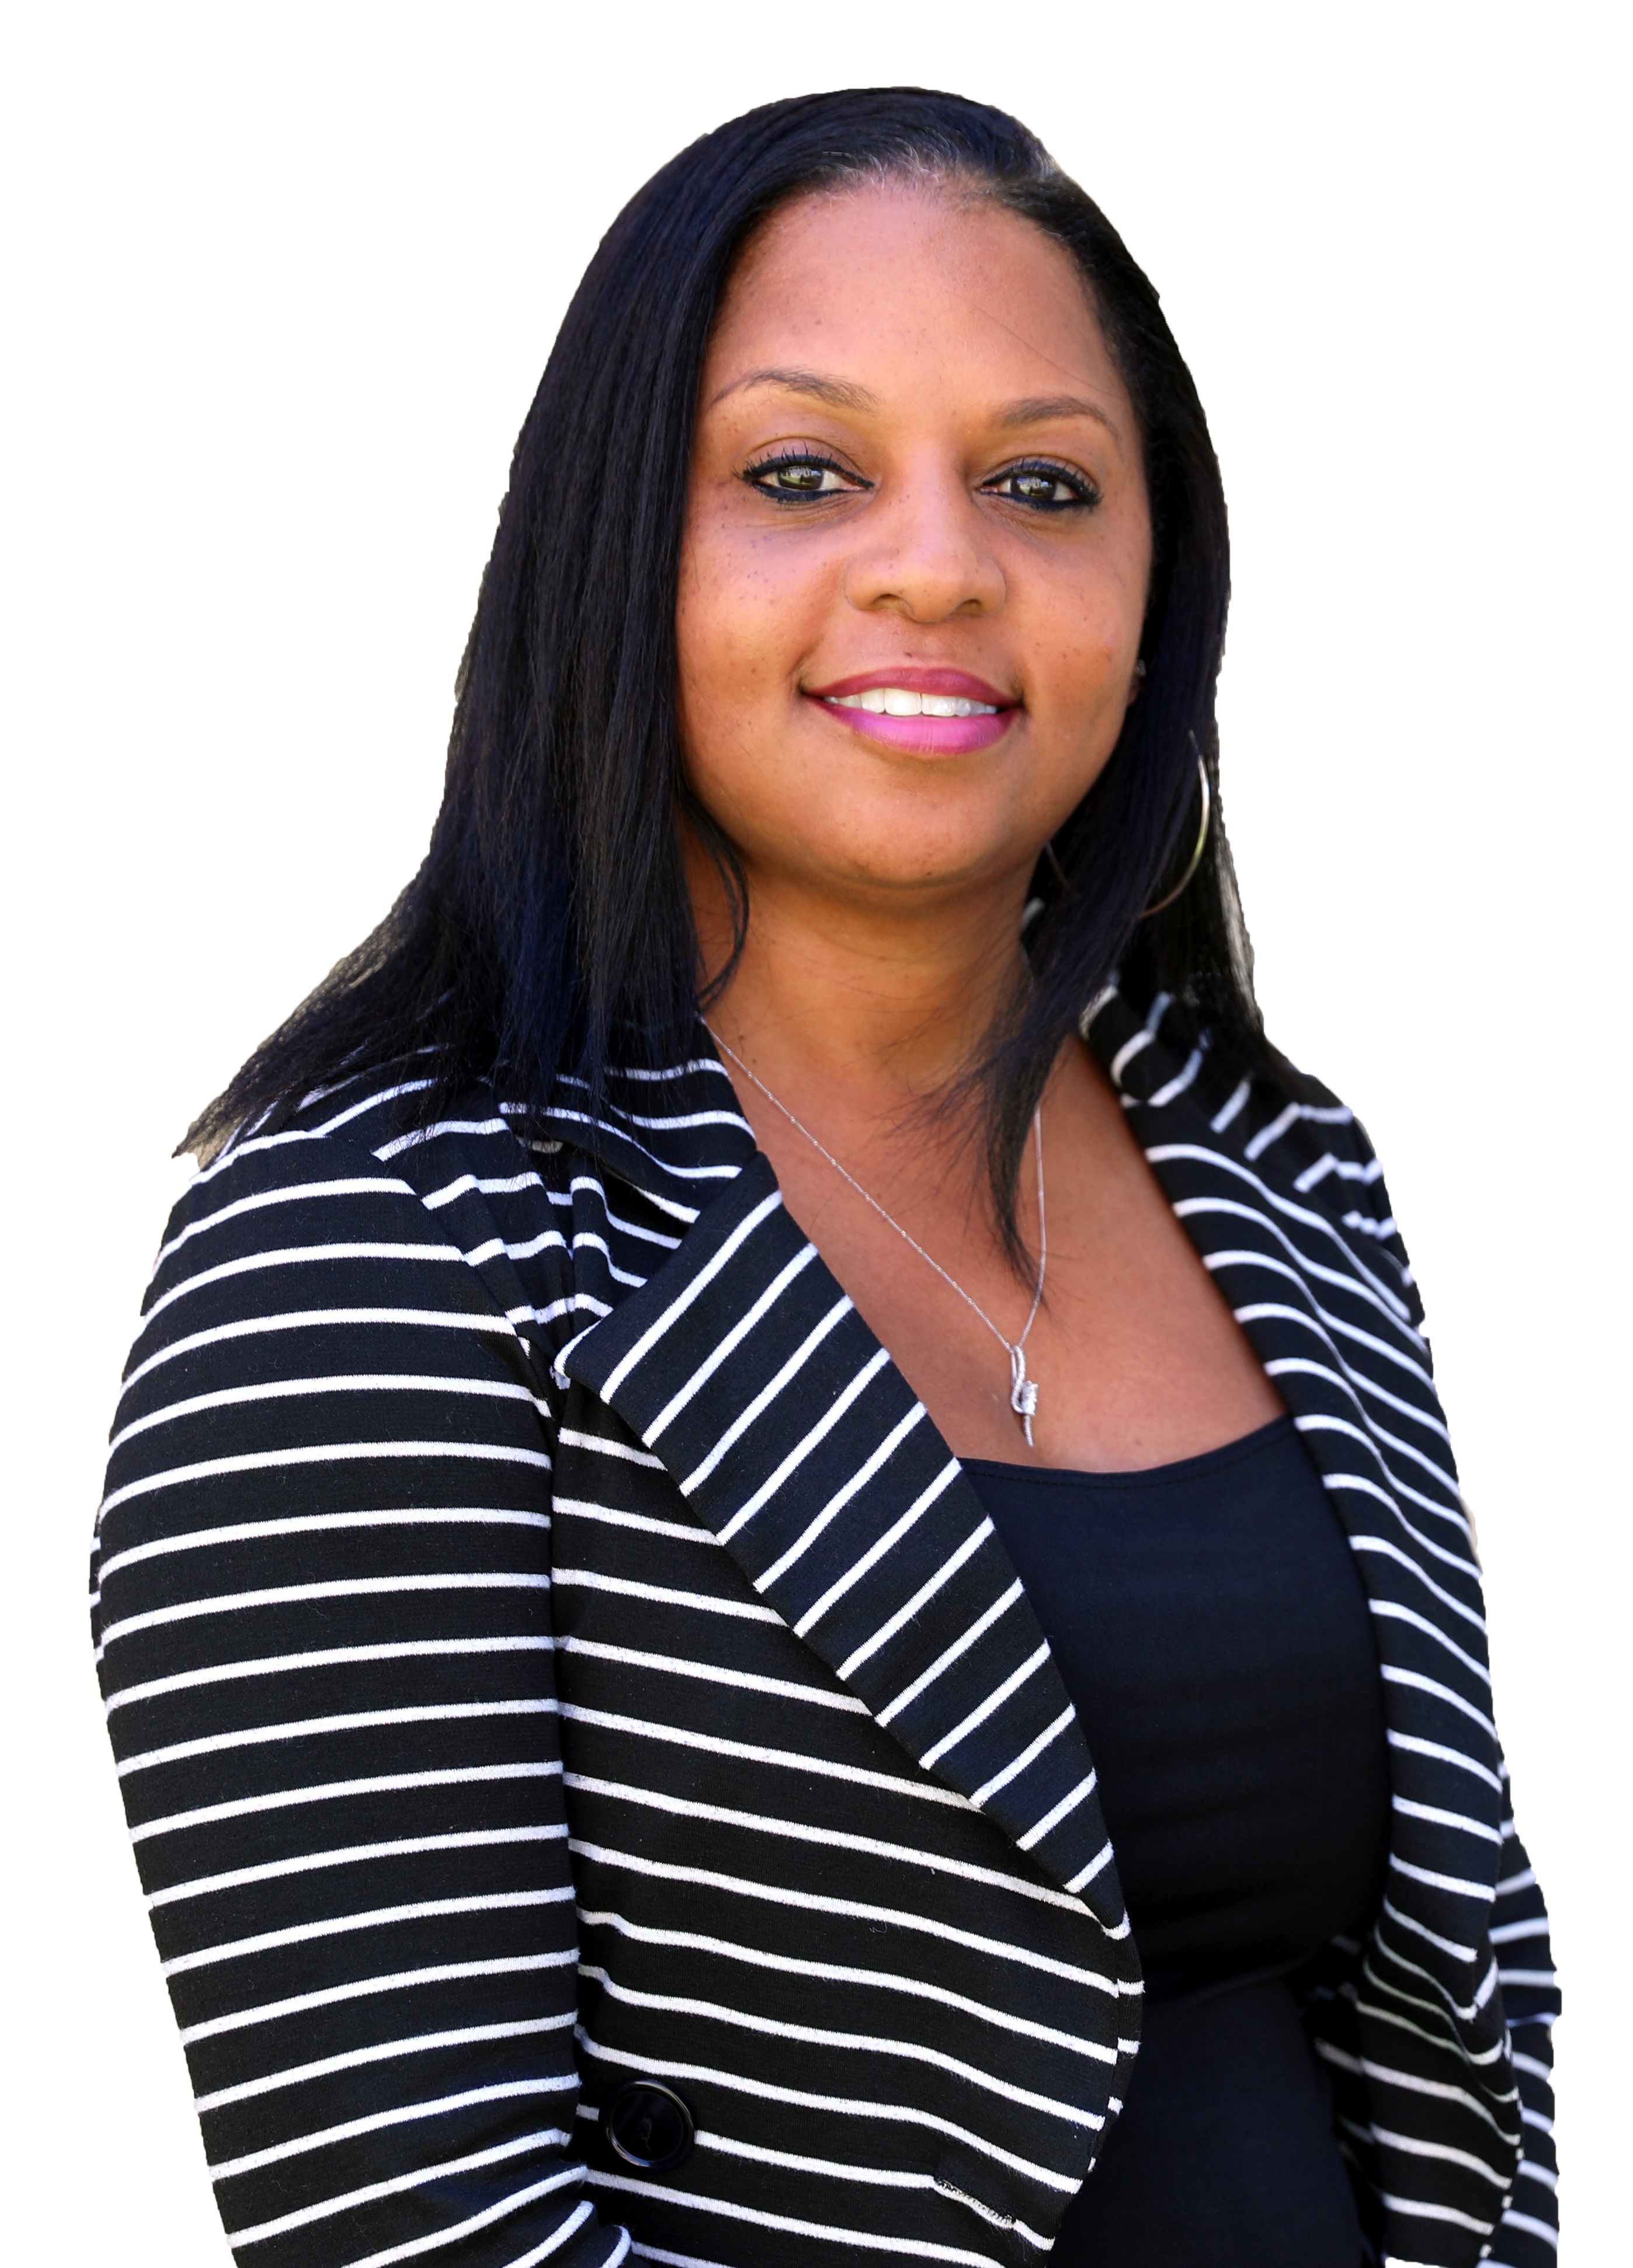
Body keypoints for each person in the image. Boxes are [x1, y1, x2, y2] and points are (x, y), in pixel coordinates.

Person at [92, 88, 1559, 2268]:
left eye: (1041, 483)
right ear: (611, 548)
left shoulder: (1280, 1167)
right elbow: (412, 2219)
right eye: (801, 473)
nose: (938, 563)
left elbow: (1455, 2025)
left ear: (1156, 584)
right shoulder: (375, 1241)